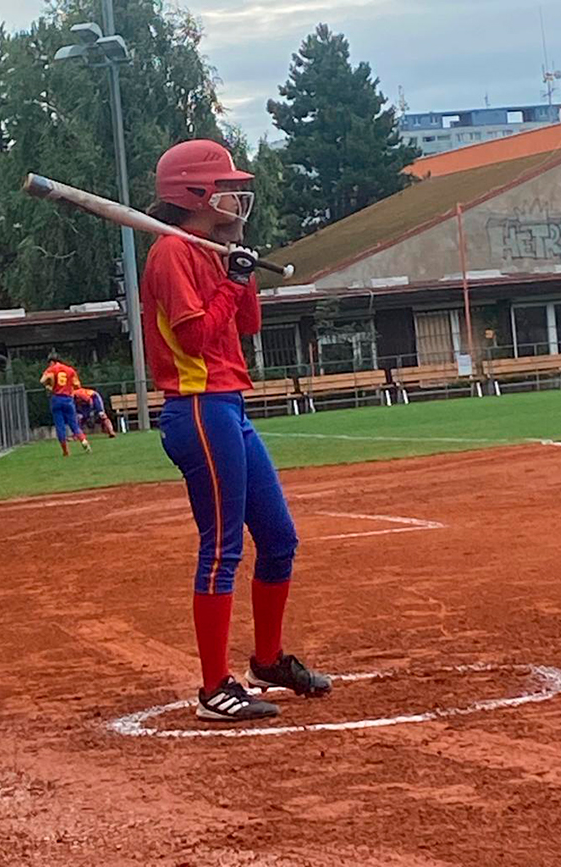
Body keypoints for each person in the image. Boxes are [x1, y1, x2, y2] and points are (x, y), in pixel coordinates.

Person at [141, 139, 330, 722]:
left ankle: (268, 660)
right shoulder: (170, 254)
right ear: (194, 194)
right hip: (198, 408)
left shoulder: (212, 248)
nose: (235, 195)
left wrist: (238, 270)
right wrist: (230, 279)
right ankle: (214, 688)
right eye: (223, 186)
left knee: (279, 540)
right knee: (221, 548)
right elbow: (194, 338)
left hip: (230, 406)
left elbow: (245, 325)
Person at [40, 353, 91, 456]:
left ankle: (65, 450)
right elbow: (77, 385)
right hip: (68, 399)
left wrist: (49, 386)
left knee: (60, 425)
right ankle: (83, 441)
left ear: (52, 362)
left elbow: (42, 380)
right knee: (74, 424)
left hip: (56, 399)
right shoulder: (70, 370)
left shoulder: (52, 369)